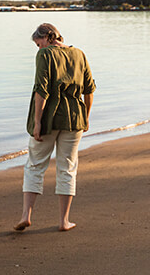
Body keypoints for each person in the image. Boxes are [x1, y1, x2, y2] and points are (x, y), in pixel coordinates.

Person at [14, 23, 95, 233]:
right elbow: (89, 90)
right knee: (67, 167)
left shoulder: (45, 55)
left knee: (35, 165)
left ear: (47, 38)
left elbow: (42, 89)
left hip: (50, 119)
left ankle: (26, 216)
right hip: (74, 119)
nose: (38, 49)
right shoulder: (79, 54)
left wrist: (38, 121)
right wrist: (85, 117)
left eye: (38, 44)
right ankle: (64, 221)